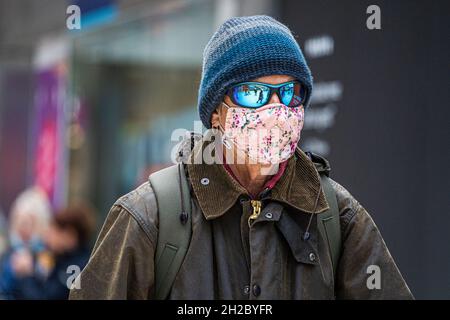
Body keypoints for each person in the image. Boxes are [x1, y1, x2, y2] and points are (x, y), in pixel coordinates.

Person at [70, 15, 413, 300]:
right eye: (253, 93)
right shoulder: (151, 218)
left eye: (290, 93)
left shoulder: (336, 216)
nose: (276, 110)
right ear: (216, 112)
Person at [2, 204, 95, 299]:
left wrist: (26, 274)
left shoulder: (76, 267)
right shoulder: (62, 258)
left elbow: (46, 296)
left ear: (69, 235)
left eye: (53, 230)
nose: (47, 235)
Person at [0, 187, 51, 299]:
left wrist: (28, 272)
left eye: (29, 221)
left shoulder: (44, 253)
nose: (23, 226)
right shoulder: (9, 251)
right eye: (20, 220)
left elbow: (44, 290)